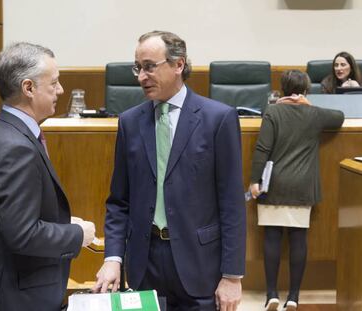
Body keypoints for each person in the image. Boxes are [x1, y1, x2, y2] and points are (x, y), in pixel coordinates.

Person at [93, 31, 246, 311]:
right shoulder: (130, 122)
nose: (141, 77)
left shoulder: (218, 119)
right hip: (144, 262)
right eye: (138, 67)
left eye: (150, 66)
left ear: (178, 65)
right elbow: (119, 202)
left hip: (200, 264)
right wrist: (113, 257)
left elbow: (232, 203)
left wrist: (232, 276)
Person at [0, 42, 96, 311]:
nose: (61, 90)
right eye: (54, 83)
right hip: (18, 298)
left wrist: (61, 221)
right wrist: (77, 234)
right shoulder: (17, 147)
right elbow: (22, 234)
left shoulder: (5, 129)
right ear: (28, 88)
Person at [249, 70, 344, 311]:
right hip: (302, 185)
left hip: (274, 183)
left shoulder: (273, 111)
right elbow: (339, 117)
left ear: (282, 88)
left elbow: (262, 149)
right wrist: (307, 103)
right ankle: (293, 297)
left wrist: (254, 181)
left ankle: (271, 294)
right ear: (305, 91)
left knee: (271, 237)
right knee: (298, 238)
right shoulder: (314, 114)